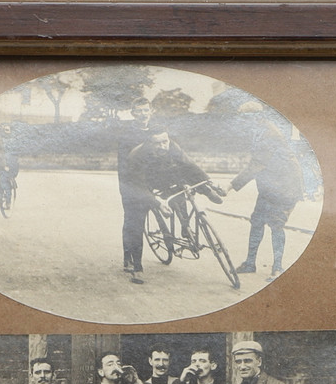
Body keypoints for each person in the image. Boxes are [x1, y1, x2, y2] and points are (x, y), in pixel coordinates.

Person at [122, 128, 226, 284]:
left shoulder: (173, 147)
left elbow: (190, 165)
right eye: (158, 143)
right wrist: (158, 203)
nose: (163, 146)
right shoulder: (137, 156)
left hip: (165, 176)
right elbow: (139, 186)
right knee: (136, 221)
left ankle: (201, 198)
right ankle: (137, 267)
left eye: (165, 141)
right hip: (142, 184)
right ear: (149, 143)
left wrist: (206, 180)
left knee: (182, 186)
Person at [227, 106, 305, 280]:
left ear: (257, 117)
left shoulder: (269, 133)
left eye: (246, 118)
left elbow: (255, 165)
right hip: (270, 186)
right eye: (242, 118)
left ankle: (278, 267)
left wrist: (229, 186)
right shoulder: (258, 131)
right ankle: (249, 263)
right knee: (257, 221)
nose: (243, 122)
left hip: (286, 186)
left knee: (276, 224)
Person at [114, 97, 156, 279]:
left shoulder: (156, 131)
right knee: (134, 221)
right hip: (131, 183)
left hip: (152, 181)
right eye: (138, 111)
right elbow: (125, 165)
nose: (142, 114)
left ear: (151, 111)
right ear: (133, 114)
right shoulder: (126, 135)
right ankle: (134, 263)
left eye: (146, 110)